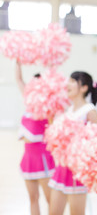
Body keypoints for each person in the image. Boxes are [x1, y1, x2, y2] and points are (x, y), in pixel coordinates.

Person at [48, 71, 97, 215]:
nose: (68, 84)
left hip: (77, 172)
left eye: (72, 81)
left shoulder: (90, 111)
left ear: (83, 87)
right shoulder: (69, 110)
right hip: (61, 168)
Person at [15, 61, 56, 215]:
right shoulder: (28, 105)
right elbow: (19, 79)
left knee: (50, 199)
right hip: (28, 158)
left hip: (43, 158)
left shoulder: (48, 108)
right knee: (33, 198)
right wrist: (18, 62)